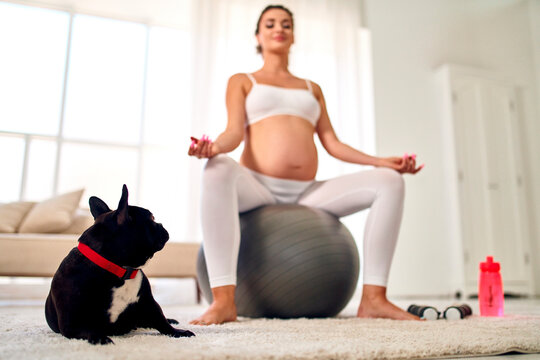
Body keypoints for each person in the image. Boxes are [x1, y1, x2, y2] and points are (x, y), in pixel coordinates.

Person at [188, 4, 423, 325]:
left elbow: (333, 144)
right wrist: (213, 147)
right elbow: (233, 133)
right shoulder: (243, 81)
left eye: (286, 24)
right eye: (269, 24)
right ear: (258, 35)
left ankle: (374, 299)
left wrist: (381, 162)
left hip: (307, 194)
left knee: (390, 182)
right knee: (216, 167)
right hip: (258, 188)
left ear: (293, 35)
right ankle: (224, 301)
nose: (278, 28)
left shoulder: (313, 89)